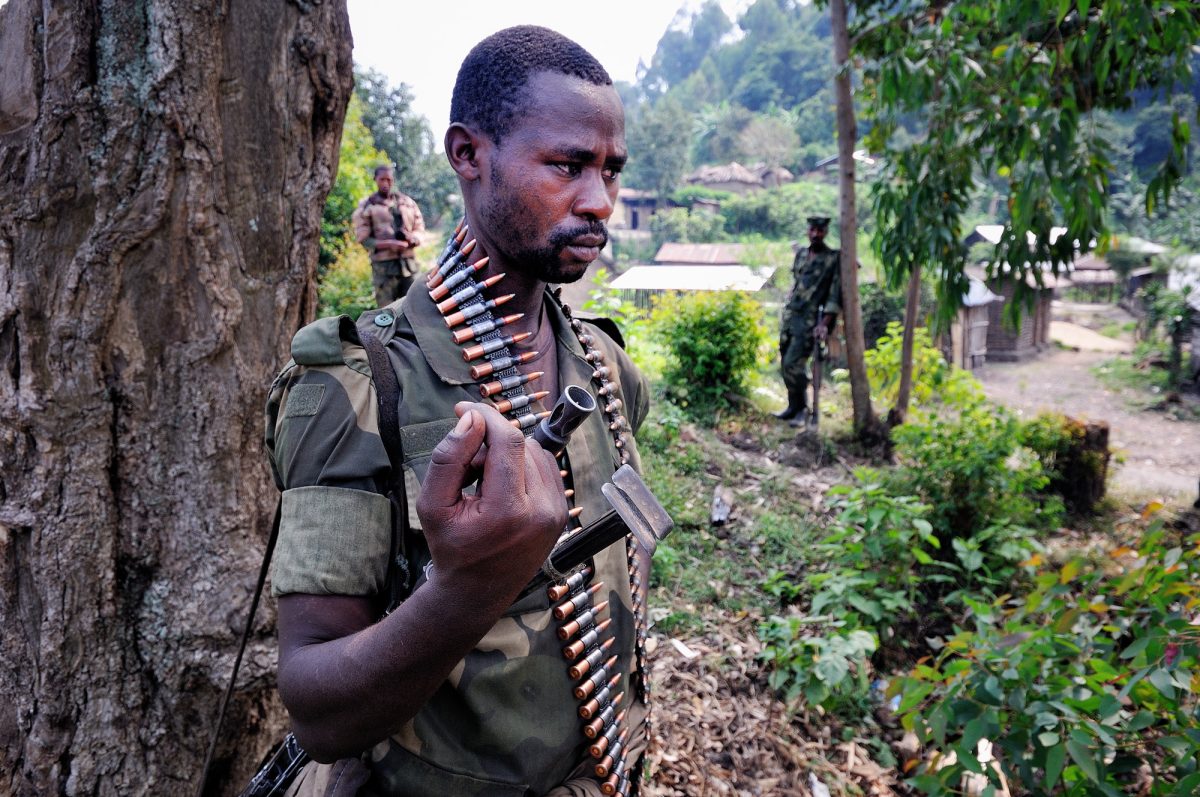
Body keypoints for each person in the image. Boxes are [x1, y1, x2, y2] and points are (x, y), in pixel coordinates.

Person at [264, 25, 653, 797]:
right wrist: (470, 587)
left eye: (610, 170)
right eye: (567, 165)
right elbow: (318, 710)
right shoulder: (356, 383)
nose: (600, 200)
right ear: (469, 155)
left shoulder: (606, 367)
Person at [774, 216, 842, 426]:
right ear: (808, 231)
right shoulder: (802, 254)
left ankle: (803, 410)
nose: (815, 234)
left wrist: (824, 324)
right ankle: (793, 406)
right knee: (785, 361)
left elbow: (834, 294)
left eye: (820, 231)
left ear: (826, 233)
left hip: (810, 320)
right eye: (812, 230)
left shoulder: (832, 258)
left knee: (793, 364)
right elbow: (796, 283)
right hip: (792, 315)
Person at [352, 165, 426, 307]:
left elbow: (420, 228)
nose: (386, 183)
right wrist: (389, 244)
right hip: (383, 270)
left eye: (389, 180)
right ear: (375, 180)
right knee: (386, 313)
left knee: (414, 309)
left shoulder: (407, 203)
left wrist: (412, 239)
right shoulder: (367, 206)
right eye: (382, 180)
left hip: (409, 267)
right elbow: (364, 240)